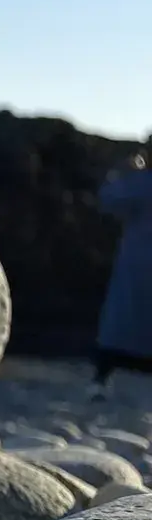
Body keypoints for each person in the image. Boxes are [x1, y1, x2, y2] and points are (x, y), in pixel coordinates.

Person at [95, 140, 152, 386]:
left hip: (137, 263)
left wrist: (122, 171)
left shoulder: (142, 183)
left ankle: (106, 370)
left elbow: (107, 198)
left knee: (124, 320)